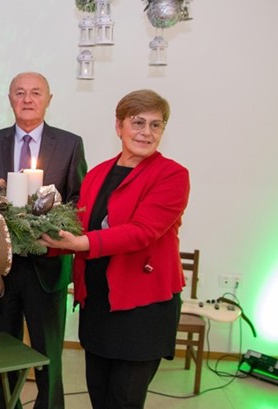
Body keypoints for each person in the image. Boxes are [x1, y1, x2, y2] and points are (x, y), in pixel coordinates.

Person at [40, 89, 190, 409]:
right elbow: (77, 226)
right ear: (119, 126)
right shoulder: (96, 174)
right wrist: (38, 239)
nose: (146, 132)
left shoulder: (173, 175)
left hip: (142, 309)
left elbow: (142, 232)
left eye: (155, 125)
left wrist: (81, 243)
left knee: (124, 401)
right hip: (98, 305)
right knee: (99, 396)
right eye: (137, 122)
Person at [0, 71, 87, 409]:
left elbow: (79, 203)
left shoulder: (69, 144)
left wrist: (53, 230)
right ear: (10, 99)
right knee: (1, 352)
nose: (27, 99)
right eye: (20, 92)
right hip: (1, 267)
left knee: (48, 354)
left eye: (35, 92)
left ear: (48, 100)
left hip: (47, 267)